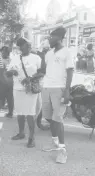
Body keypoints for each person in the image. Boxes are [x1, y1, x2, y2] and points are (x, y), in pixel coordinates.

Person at [41, 27, 74, 164]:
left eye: (52, 37)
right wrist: (43, 55)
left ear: (59, 37)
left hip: (59, 89)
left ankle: (62, 150)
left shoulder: (66, 52)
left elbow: (70, 71)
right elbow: (44, 69)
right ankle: (55, 141)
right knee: (48, 117)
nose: (49, 39)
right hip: (46, 87)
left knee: (58, 119)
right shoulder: (49, 53)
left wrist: (67, 90)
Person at [7, 38, 42, 147]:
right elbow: (8, 73)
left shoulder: (36, 58)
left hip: (31, 89)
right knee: (20, 112)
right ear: (20, 47)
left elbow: (42, 73)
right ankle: (21, 133)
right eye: (26, 45)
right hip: (18, 89)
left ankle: (32, 138)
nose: (29, 47)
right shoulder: (15, 58)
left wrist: (30, 78)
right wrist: (12, 72)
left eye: (29, 45)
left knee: (30, 113)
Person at [35, 39, 51, 130]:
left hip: (45, 82)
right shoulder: (42, 56)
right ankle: (40, 122)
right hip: (43, 82)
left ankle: (40, 121)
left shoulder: (41, 55)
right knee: (43, 104)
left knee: (43, 104)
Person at [0, 46, 14, 118]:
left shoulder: (1, 61)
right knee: (10, 98)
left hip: (2, 82)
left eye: (3, 52)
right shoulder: (11, 60)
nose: (1, 53)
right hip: (10, 82)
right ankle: (10, 113)